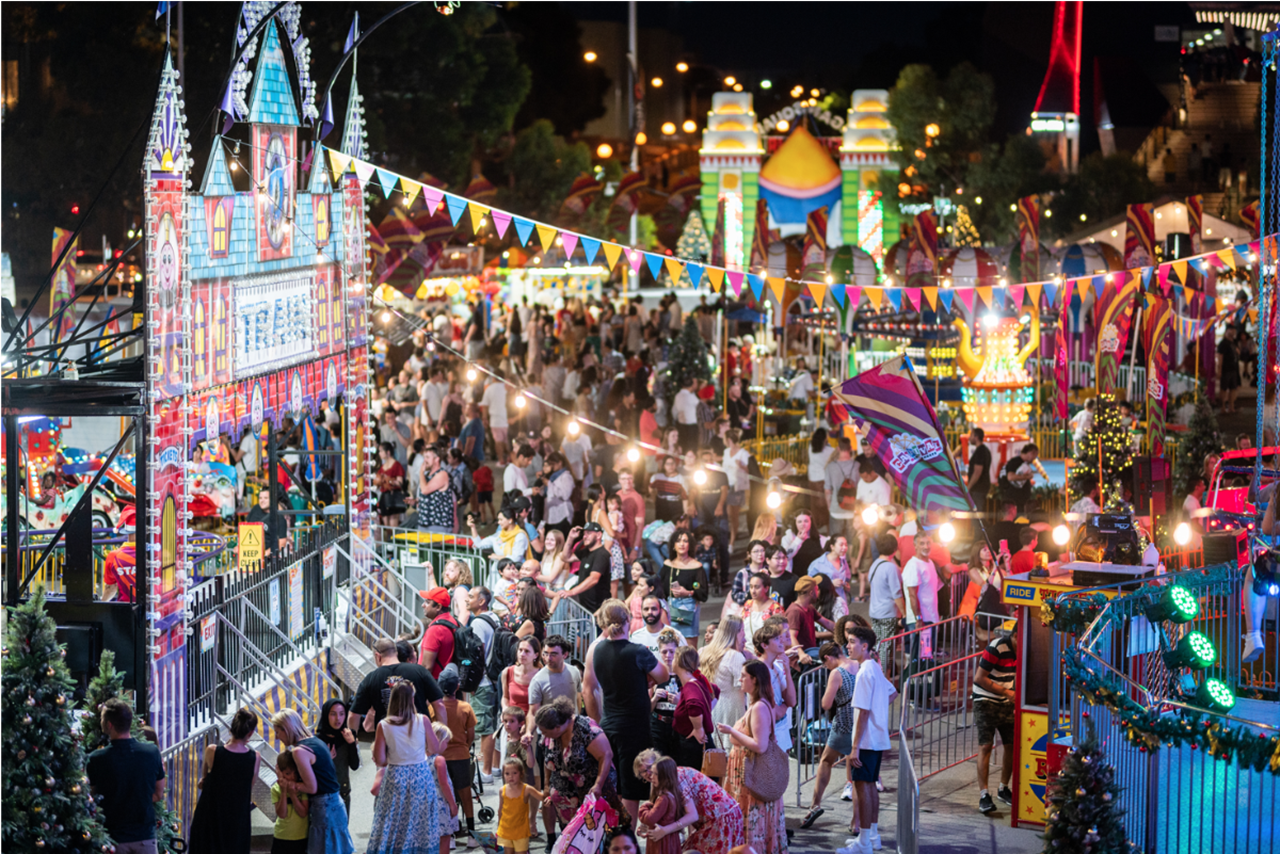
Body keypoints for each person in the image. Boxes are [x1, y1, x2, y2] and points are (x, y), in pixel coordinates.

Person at [583, 599, 669, 822]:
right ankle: (627, 839)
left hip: (609, 724)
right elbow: (664, 675)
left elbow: (588, 689)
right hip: (635, 728)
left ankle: (615, 836)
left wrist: (597, 721)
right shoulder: (637, 651)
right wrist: (645, 677)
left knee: (615, 786)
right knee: (631, 790)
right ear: (628, 620)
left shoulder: (596, 650)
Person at [364, 680, 449, 854]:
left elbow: (379, 758)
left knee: (394, 819)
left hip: (396, 775)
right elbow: (434, 748)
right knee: (420, 821)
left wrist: (396, 757)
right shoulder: (422, 720)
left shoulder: (384, 725)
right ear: (412, 699)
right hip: (420, 775)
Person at [716, 659, 788, 854]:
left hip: (752, 774)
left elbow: (760, 745)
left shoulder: (759, 708)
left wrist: (732, 731)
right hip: (747, 774)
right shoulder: (758, 704)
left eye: (743, 676)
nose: (739, 679)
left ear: (754, 680)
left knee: (752, 819)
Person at [87, 698, 167, 854]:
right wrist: (137, 797)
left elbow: (93, 797)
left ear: (109, 725)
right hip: (145, 838)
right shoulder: (151, 753)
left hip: (113, 840)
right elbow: (158, 794)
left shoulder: (97, 758)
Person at [270, 708, 355, 854]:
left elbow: (311, 787)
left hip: (325, 807)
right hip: (334, 803)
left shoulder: (299, 751)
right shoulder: (315, 741)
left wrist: (288, 784)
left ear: (287, 729)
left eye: (278, 732)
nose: (277, 737)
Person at [534, 696, 627, 828]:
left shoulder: (585, 728)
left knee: (596, 833)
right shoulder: (550, 735)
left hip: (592, 791)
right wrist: (547, 786)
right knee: (573, 838)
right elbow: (548, 761)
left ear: (558, 727)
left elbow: (606, 755)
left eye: (545, 731)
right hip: (566, 801)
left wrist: (598, 785)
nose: (542, 734)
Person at [632, 749, 745, 854]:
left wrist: (665, 831)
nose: (648, 773)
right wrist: (645, 826)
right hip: (710, 818)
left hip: (721, 814)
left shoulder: (676, 777)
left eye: (650, 767)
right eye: (643, 771)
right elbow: (659, 811)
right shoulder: (657, 781)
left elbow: (692, 815)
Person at [847, 625, 896, 851]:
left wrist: (855, 747)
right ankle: (872, 836)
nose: (848, 646)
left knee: (863, 787)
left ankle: (864, 841)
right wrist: (879, 711)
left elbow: (863, 711)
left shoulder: (865, 671)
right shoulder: (874, 667)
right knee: (870, 786)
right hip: (877, 738)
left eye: (851, 642)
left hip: (866, 741)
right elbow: (892, 692)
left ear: (864, 646)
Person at [801, 641, 859, 829]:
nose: (826, 668)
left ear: (827, 658)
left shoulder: (836, 673)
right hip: (860, 722)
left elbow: (826, 704)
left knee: (826, 760)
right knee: (856, 771)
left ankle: (815, 804)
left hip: (843, 723)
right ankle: (856, 821)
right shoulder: (858, 664)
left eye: (825, 664)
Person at [187, 706, 260, 854]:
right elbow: (249, 785)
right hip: (237, 816)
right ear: (250, 733)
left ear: (231, 728)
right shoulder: (255, 757)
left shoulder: (213, 751)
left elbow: (204, 780)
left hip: (211, 813)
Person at [349, 637, 446, 732]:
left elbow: (353, 715)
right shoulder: (419, 671)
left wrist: (352, 742)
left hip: (387, 741)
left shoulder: (371, 678)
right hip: (419, 740)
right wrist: (441, 736)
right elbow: (439, 704)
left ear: (378, 656)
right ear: (396, 652)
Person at [972, 623, 1018, 816]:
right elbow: (979, 678)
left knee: (1012, 745)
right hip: (985, 699)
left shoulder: (1025, 651)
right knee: (986, 745)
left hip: (1006, 699)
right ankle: (984, 794)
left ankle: (1003, 788)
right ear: (1015, 636)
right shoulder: (997, 647)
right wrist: (1006, 692)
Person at [439, 666, 481, 848]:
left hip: (441, 757)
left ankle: (451, 837)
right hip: (462, 755)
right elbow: (471, 734)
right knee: (465, 794)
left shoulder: (434, 708)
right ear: (457, 687)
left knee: (445, 795)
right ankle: (472, 834)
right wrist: (464, 744)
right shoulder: (465, 707)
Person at [672, 646, 716, 770]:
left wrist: (698, 728)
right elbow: (716, 690)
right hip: (695, 744)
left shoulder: (691, 686)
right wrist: (707, 712)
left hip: (693, 747)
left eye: (674, 657)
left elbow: (694, 705)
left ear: (680, 662)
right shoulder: (698, 681)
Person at [314, 699, 360, 815]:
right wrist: (327, 759)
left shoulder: (348, 736)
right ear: (326, 715)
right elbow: (313, 772)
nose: (338, 719)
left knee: (342, 830)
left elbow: (355, 766)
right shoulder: (318, 740)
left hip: (343, 791)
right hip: (322, 794)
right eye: (333, 714)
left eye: (341, 714)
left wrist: (351, 744)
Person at [664, 530, 710, 641]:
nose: (682, 544)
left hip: (689, 612)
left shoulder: (696, 566)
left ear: (690, 545)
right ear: (674, 545)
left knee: (689, 647)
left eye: (685, 541)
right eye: (678, 541)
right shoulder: (668, 565)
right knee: (671, 646)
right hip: (671, 610)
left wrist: (688, 592)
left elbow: (703, 593)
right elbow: (661, 589)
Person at [866, 533, 904, 666]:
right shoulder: (891, 567)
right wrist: (904, 613)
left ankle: (877, 672)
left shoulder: (875, 564)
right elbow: (897, 593)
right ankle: (883, 676)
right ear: (894, 549)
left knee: (877, 645)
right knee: (886, 647)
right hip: (888, 613)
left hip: (875, 612)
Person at [637, 755, 684, 854]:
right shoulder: (671, 795)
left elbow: (650, 819)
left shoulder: (663, 798)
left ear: (665, 778)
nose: (651, 776)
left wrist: (643, 807)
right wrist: (644, 829)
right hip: (669, 838)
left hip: (662, 841)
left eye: (655, 774)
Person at [496, 757, 544, 854]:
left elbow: (542, 797)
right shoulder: (502, 790)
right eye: (507, 773)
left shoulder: (526, 789)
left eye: (514, 773)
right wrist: (499, 827)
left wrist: (550, 796)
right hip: (505, 830)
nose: (511, 776)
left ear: (521, 773)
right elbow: (500, 810)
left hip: (521, 831)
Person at [563, 522, 613, 613]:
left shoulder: (602, 554)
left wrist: (572, 592)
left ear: (598, 535)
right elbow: (566, 557)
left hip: (598, 608)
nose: (585, 536)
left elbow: (594, 579)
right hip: (586, 607)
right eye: (584, 533)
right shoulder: (586, 551)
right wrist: (570, 538)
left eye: (589, 533)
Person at [785, 576, 833, 664]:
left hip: (811, 657)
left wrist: (845, 630)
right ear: (811, 593)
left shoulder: (809, 608)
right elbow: (791, 636)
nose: (818, 593)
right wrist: (801, 654)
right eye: (817, 589)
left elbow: (827, 623)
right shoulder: (795, 611)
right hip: (800, 663)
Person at [272, 751, 311, 854]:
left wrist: (293, 795)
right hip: (282, 836)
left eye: (295, 773)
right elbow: (282, 814)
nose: (292, 777)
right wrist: (284, 792)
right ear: (280, 772)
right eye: (287, 774)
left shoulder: (303, 787)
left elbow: (303, 813)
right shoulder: (276, 789)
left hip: (301, 836)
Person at [806, 534, 852, 617]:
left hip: (841, 604)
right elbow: (809, 584)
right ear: (832, 546)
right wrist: (830, 584)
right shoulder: (818, 564)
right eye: (841, 544)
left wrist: (847, 587)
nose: (844, 547)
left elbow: (847, 579)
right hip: (824, 604)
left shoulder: (844, 563)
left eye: (846, 545)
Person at [418, 586, 460, 677]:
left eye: (427, 602)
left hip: (434, 683)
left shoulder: (436, 630)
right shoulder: (452, 621)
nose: (423, 605)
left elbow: (426, 667)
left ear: (438, 607)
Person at [825, 437, 859, 543]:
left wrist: (830, 507)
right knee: (853, 542)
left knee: (835, 542)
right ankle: (851, 560)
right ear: (851, 448)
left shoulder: (830, 467)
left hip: (836, 509)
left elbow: (827, 490)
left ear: (838, 448)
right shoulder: (857, 466)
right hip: (853, 509)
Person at [723, 540, 768, 621]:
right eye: (756, 551)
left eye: (762, 550)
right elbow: (735, 595)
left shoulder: (769, 571)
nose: (760, 554)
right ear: (749, 554)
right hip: (748, 615)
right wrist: (750, 595)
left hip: (766, 613)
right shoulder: (742, 573)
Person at [418, 445, 456, 534]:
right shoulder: (427, 475)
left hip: (438, 525)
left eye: (427, 457)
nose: (424, 460)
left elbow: (425, 490)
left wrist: (420, 472)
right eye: (424, 457)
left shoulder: (442, 474)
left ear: (436, 459)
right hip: (425, 523)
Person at [742, 571, 783, 641]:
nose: (753, 591)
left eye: (757, 587)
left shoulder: (775, 608)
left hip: (766, 650)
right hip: (747, 649)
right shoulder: (747, 604)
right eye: (751, 587)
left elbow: (780, 635)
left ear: (766, 588)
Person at [999, 443, 1038, 512]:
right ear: (1031, 453)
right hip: (1015, 500)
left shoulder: (1023, 463)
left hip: (1020, 500)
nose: (1034, 459)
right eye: (1034, 456)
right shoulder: (1015, 462)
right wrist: (1027, 476)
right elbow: (1010, 477)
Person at [1218, 323, 1242, 413]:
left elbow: (1239, 353)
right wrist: (1219, 369)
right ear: (1227, 331)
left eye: (1234, 330)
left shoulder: (1234, 342)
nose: (1233, 332)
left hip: (1234, 368)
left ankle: (1231, 406)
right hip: (1226, 368)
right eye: (1232, 330)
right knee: (1224, 388)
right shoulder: (1223, 343)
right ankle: (1223, 407)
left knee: (1233, 388)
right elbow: (1220, 357)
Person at [966, 427, 991, 508]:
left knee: (976, 515)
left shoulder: (980, 452)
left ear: (976, 437)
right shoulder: (985, 450)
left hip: (978, 488)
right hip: (981, 488)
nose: (969, 438)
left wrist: (968, 487)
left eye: (971, 435)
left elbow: (977, 472)